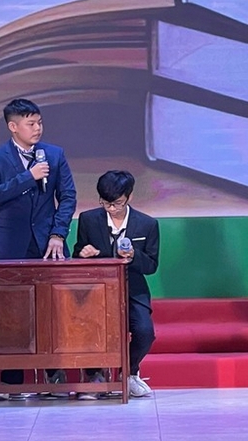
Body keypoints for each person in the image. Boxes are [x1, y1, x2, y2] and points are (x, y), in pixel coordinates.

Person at [0, 98, 77, 395]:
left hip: (48, 243)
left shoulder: (55, 154)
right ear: (13, 127)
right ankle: (12, 378)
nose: (37, 128)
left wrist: (58, 234)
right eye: (30, 123)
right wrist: (28, 177)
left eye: (39, 122)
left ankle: (54, 372)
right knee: (10, 309)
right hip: (11, 245)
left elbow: (68, 197)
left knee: (53, 308)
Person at [73, 171, 159, 399]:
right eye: (106, 203)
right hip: (96, 290)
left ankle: (129, 372)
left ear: (129, 197)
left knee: (144, 332)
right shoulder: (88, 220)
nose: (111, 208)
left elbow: (151, 265)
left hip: (133, 290)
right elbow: (78, 253)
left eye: (117, 203)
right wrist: (83, 254)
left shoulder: (147, 224)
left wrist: (133, 256)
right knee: (88, 328)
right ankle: (94, 376)